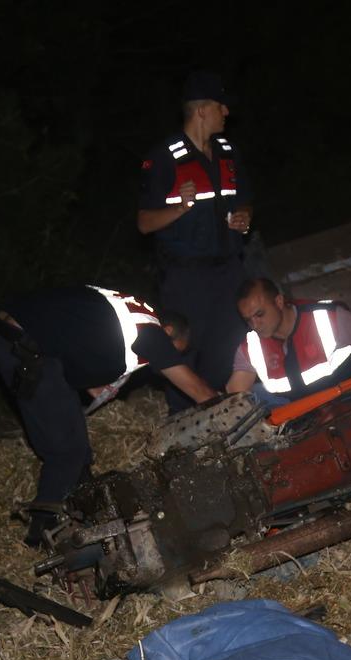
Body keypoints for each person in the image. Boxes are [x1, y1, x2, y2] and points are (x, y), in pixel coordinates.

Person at [0, 285, 216, 546]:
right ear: (169, 332)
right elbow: (198, 391)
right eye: (175, 350)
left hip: (17, 339)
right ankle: (41, 534)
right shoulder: (150, 330)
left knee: (77, 447)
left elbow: (79, 342)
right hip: (23, 345)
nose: (163, 363)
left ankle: (83, 506)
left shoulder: (127, 311)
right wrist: (229, 406)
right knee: (66, 451)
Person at [138, 70, 253, 410]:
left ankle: (230, 417)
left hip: (229, 271)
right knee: (184, 354)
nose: (227, 113)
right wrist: (180, 209)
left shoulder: (228, 152)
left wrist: (245, 215)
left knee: (233, 347)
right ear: (203, 110)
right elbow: (144, 223)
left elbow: (245, 196)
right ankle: (184, 427)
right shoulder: (162, 159)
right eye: (222, 106)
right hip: (185, 278)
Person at [225, 278, 351, 407]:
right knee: (256, 395)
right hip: (304, 416)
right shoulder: (252, 345)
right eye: (248, 320)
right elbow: (234, 394)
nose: (255, 325)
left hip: (348, 399)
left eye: (260, 314)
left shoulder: (324, 317)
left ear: (279, 302)